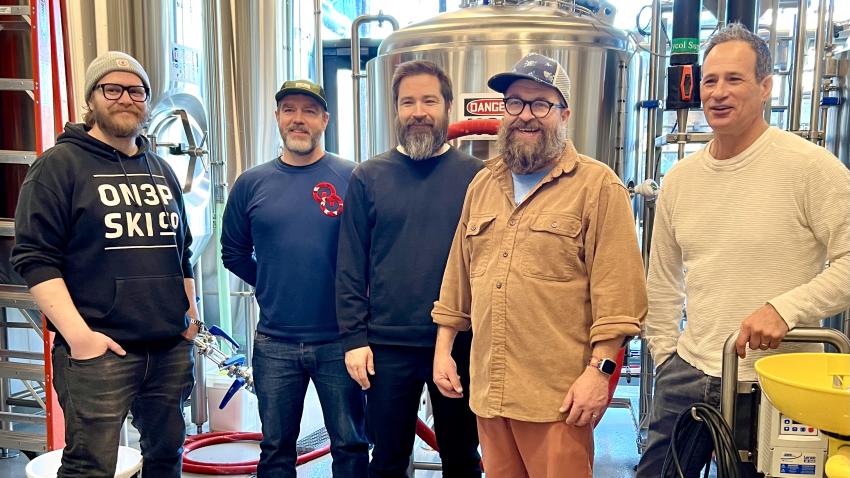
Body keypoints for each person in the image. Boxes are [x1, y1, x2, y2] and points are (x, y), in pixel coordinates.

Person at [637, 23, 850, 477]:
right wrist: (663, 355)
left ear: (766, 87)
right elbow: (662, 278)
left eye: (734, 79)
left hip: (776, 383)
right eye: (710, 81)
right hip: (688, 371)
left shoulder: (811, 168)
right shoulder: (681, 178)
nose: (718, 92)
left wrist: (785, 308)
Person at [430, 53, 647, 477]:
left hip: (556, 400)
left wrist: (599, 373)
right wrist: (442, 351)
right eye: (515, 103)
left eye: (540, 104)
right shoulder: (484, 184)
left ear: (564, 113)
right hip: (489, 394)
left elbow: (620, 298)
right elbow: (458, 276)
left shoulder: (597, 186)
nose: (525, 115)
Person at [10, 51, 197, 478]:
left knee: (167, 455)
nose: (125, 98)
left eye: (136, 90)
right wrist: (80, 338)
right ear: (92, 98)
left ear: (147, 101)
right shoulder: (58, 167)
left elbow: (180, 253)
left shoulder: (160, 170)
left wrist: (191, 317)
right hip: (100, 352)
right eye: (112, 88)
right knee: (90, 466)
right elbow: (35, 258)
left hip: (168, 349)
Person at [336, 60, 483, 478]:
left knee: (461, 456)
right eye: (408, 102)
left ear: (448, 107)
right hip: (387, 346)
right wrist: (354, 339)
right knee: (387, 459)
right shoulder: (369, 177)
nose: (418, 111)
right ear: (396, 110)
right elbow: (350, 264)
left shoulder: (476, 177)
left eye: (429, 100)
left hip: (459, 344)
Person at [221, 79, 367, 478]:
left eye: (308, 111)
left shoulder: (352, 177)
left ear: (324, 119)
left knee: (351, 445)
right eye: (289, 110)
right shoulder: (251, 184)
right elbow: (232, 252)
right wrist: (269, 280)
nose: (297, 119)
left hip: (341, 341)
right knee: (275, 448)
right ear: (277, 118)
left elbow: (370, 253)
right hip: (275, 343)